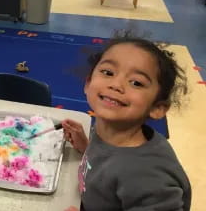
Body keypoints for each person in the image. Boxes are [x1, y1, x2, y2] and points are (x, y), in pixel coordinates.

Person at [62, 32, 191, 211]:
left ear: (157, 108)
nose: (116, 84)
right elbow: (109, 163)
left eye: (136, 83)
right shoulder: (108, 132)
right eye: (108, 72)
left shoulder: (146, 176)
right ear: (88, 83)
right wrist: (86, 147)